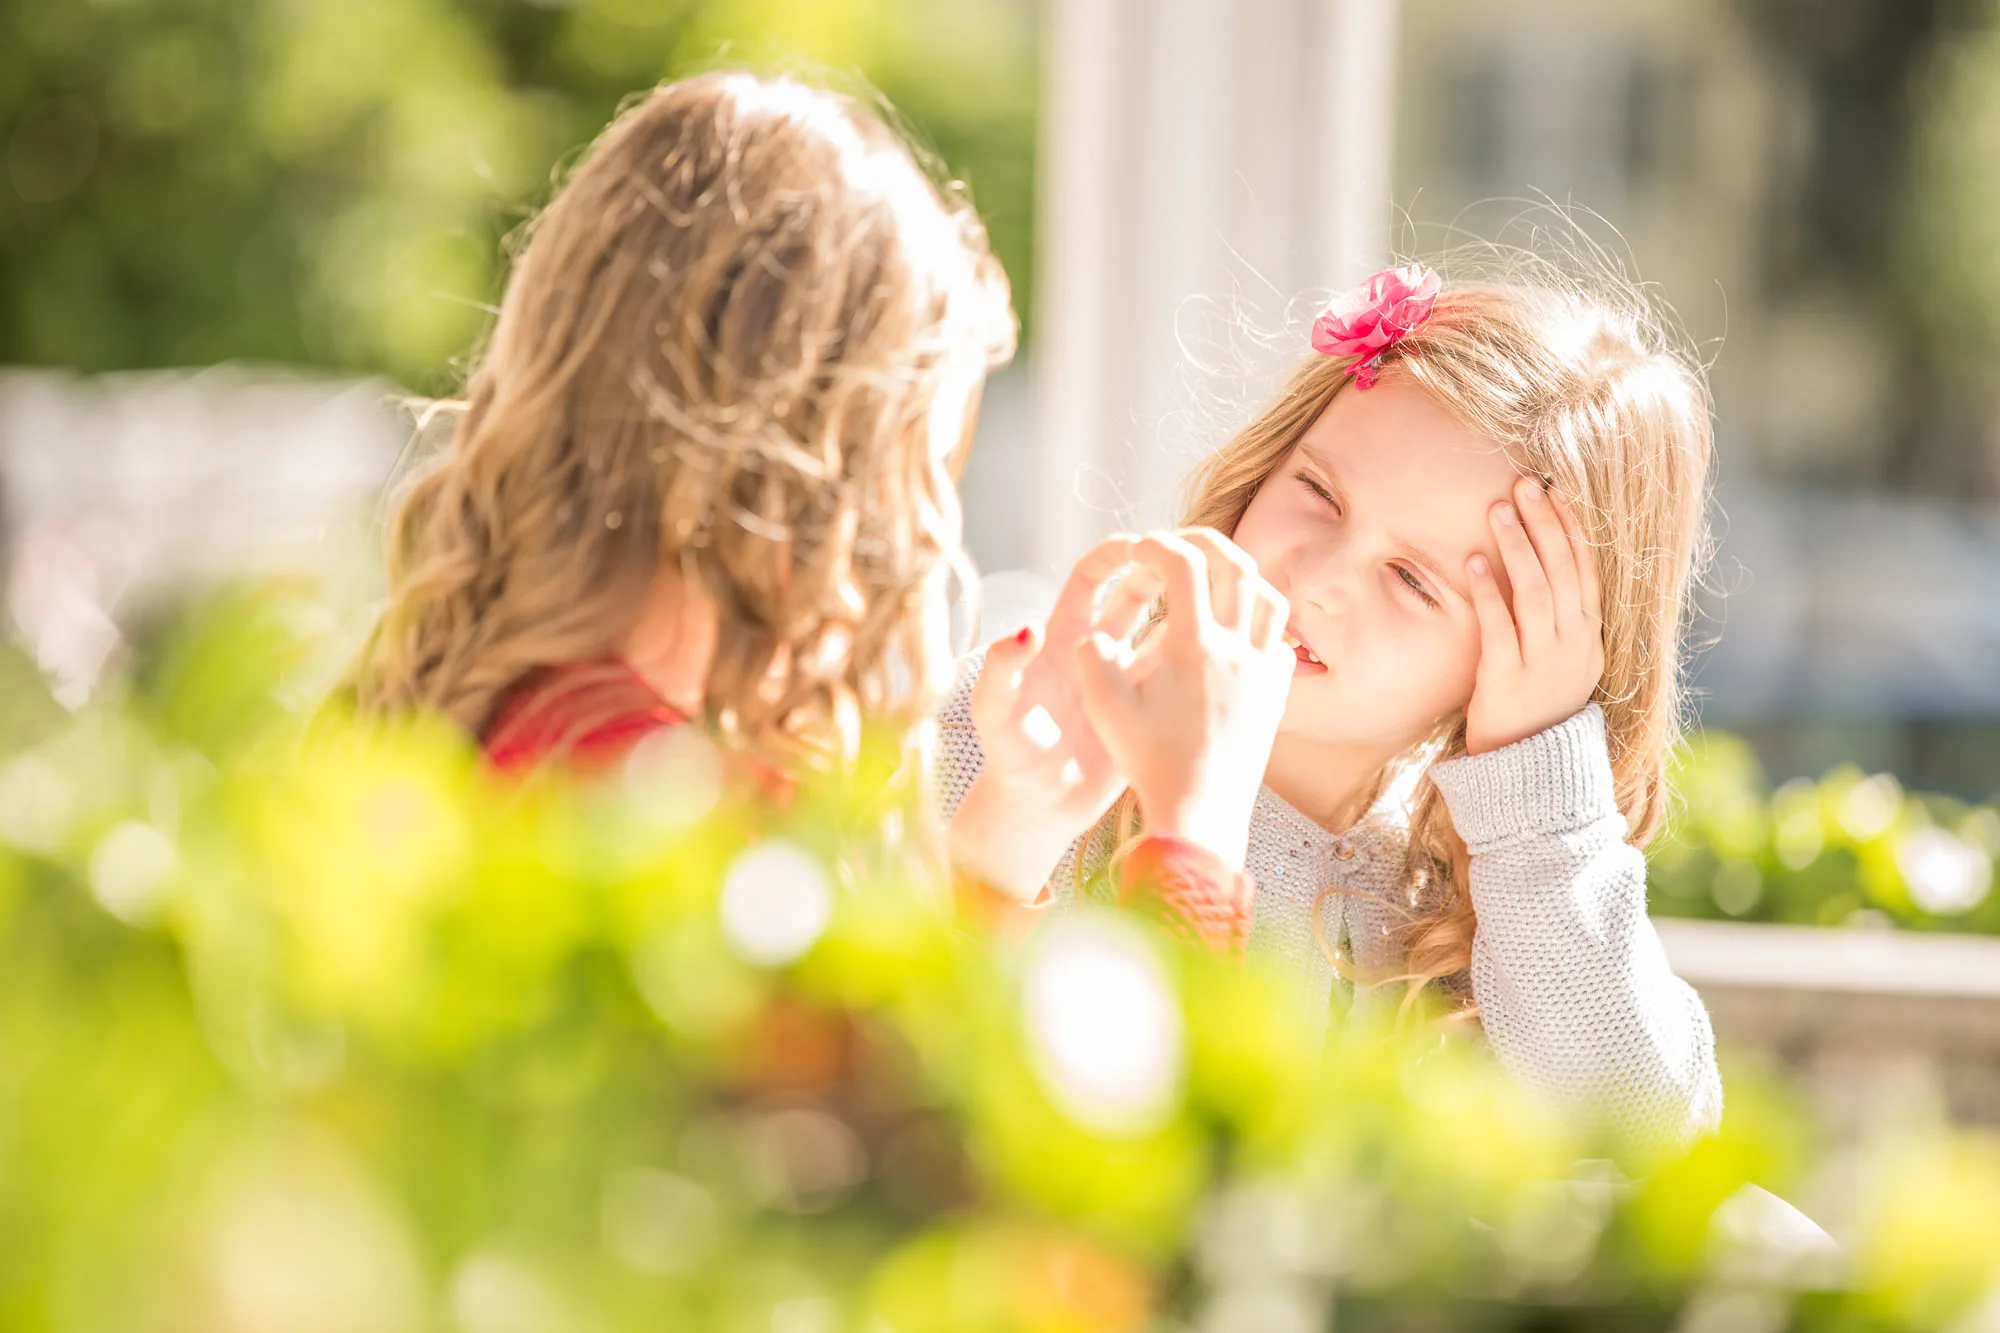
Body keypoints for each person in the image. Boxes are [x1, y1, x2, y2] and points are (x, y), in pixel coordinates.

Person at [943, 260, 1725, 1144]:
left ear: (1524, 655)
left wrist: (1540, 805)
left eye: (1410, 578)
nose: (1314, 580)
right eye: (1317, 491)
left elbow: (1650, 1140)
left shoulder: (1478, 908)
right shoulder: (1030, 730)